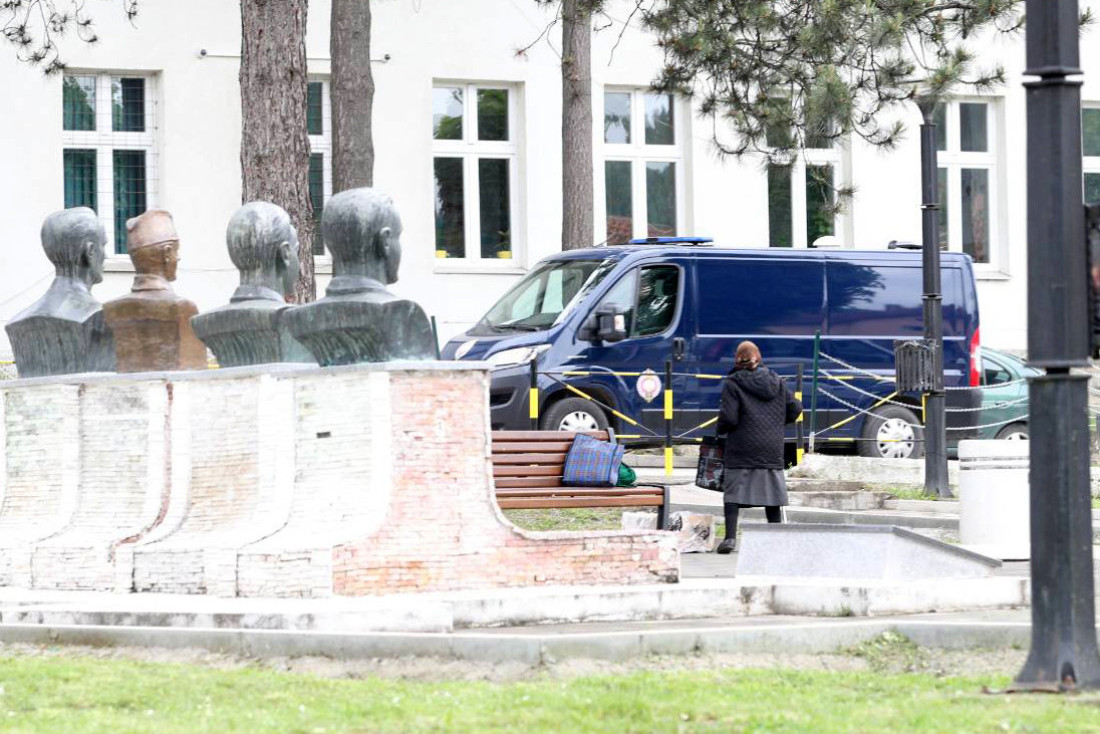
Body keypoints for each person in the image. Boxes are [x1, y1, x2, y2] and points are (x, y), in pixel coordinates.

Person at [715, 341, 802, 554]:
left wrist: (720, 428)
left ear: (737, 359)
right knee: (771, 494)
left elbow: (730, 417)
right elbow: (796, 408)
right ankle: (777, 539)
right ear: (758, 357)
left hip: (742, 446)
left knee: (733, 493)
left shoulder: (733, 383)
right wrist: (776, 423)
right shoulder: (776, 381)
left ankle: (730, 539)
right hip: (771, 446)